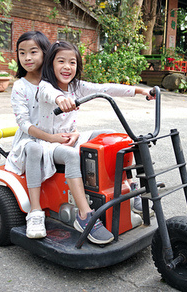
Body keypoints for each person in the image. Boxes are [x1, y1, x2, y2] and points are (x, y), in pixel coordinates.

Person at [36, 41, 152, 244]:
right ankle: (84, 215)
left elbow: (105, 88)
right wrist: (60, 99)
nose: (67, 67)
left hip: (70, 137)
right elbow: (49, 94)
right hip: (48, 144)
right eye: (61, 61)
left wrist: (141, 91)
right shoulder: (46, 87)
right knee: (72, 156)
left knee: (114, 137)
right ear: (51, 64)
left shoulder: (75, 87)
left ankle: (128, 187)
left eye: (72, 62)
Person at [1, 31, 58, 239]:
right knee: (35, 149)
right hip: (30, 140)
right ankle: (35, 211)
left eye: (33, 52)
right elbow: (23, 124)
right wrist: (50, 138)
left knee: (97, 141)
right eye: (22, 53)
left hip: (56, 135)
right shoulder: (19, 87)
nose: (27, 58)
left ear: (45, 53)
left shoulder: (54, 81)